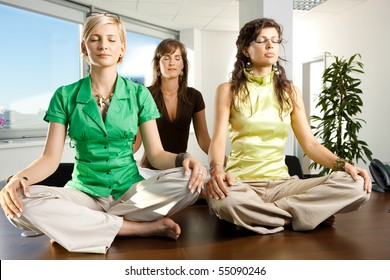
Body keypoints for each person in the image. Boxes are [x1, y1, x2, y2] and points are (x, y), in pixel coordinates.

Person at [0, 12, 207, 254]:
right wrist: (19, 179)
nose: (103, 45)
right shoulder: (65, 95)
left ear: (122, 47)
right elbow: (49, 160)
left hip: (131, 192)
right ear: (83, 47)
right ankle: (134, 228)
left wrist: (185, 159)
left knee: (191, 182)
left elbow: (157, 155)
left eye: (111, 39)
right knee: (19, 203)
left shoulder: (140, 94)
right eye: (95, 39)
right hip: (83, 192)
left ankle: (77, 224)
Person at [205, 18, 371, 234]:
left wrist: (344, 165)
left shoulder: (289, 91)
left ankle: (265, 217)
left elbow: (310, 144)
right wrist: (217, 170)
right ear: (246, 49)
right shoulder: (228, 90)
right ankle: (300, 216)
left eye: (275, 40)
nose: (270, 45)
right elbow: (217, 140)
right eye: (262, 40)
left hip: (283, 185)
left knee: (357, 186)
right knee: (223, 201)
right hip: (242, 184)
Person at [134, 38, 211, 174]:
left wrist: (224, 161)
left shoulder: (194, 96)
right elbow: (136, 142)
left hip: (180, 166)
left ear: (183, 65)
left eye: (177, 58)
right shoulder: (145, 95)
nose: (171, 63)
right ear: (158, 65)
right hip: (150, 169)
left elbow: (204, 140)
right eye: (166, 58)